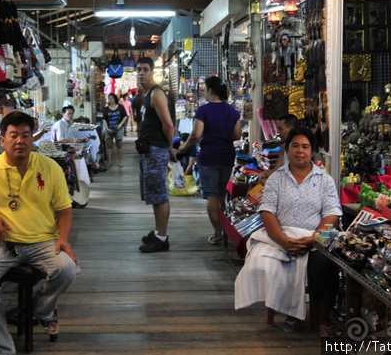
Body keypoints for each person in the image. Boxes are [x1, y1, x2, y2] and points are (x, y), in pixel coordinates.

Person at [0, 111, 80, 355]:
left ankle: (41, 309)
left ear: (33, 139)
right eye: (13, 135)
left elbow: (64, 209)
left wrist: (63, 240)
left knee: (67, 268)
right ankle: (0, 346)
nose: (19, 140)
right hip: (3, 244)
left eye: (25, 135)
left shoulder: (50, 167)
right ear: (2, 140)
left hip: (43, 241)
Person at [234, 127, 342, 337]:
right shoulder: (276, 179)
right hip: (280, 237)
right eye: (295, 146)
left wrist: (314, 239)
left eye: (305, 146)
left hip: (317, 237)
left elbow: (332, 215)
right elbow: (267, 213)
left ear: (312, 151)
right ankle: (291, 312)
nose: (300, 151)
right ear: (287, 149)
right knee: (263, 260)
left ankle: (323, 316)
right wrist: (284, 242)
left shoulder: (324, 180)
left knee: (325, 262)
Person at [175, 76, 241, 244]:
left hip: (209, 156)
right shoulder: (232, 111)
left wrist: (183, 148)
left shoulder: (203, 111)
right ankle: (226, 231)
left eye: (205, 89)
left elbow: (196, 135)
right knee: (222, 196)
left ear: (210, 90)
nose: (204, 92)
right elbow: (237, 135)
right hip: (227, 155)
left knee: (211, 196)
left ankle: (217, 232)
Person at [136, 56, 176, 253]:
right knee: (154, 195)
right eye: (139, 69)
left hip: (156, 151)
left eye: (145, 69)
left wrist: (169, 147)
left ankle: (163, 237)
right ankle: (159, 231)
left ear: (152, 72)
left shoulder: (157, 94)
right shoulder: (147, 94)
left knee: (160, 195)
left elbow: (168, 125)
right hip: (149, 151)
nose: (141, 73)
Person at [54, 104, 100, 170]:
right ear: (63, 114)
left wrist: (82, 140)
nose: (70, 115)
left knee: (89, 144)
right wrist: (72, 141)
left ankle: (90, 165)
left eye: (72, 114)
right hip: (62, 147)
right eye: (68, 113)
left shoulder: (69, 124)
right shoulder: (60, 124)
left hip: (70, 145)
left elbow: (72, 138)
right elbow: (60, 140)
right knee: (82, 150)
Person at [258, 114, 298, 185]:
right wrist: (264, 174)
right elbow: (276, 171)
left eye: (280, 129)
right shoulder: (284, 148)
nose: (278, 133)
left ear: (291, 130)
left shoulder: (299, 150)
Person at [103, 93, 128, 167]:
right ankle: (109, 162)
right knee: (109, 145)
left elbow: (125, 116)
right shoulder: (106, 109)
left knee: (119, 145)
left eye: (111, 98)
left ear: (115, 99)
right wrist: (107, 128)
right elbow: (104, 119)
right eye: (109, 98)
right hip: (109, 129)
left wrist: (120, 124)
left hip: (119, 129)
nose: (110, 100)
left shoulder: (120, 107)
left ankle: (120, 162)